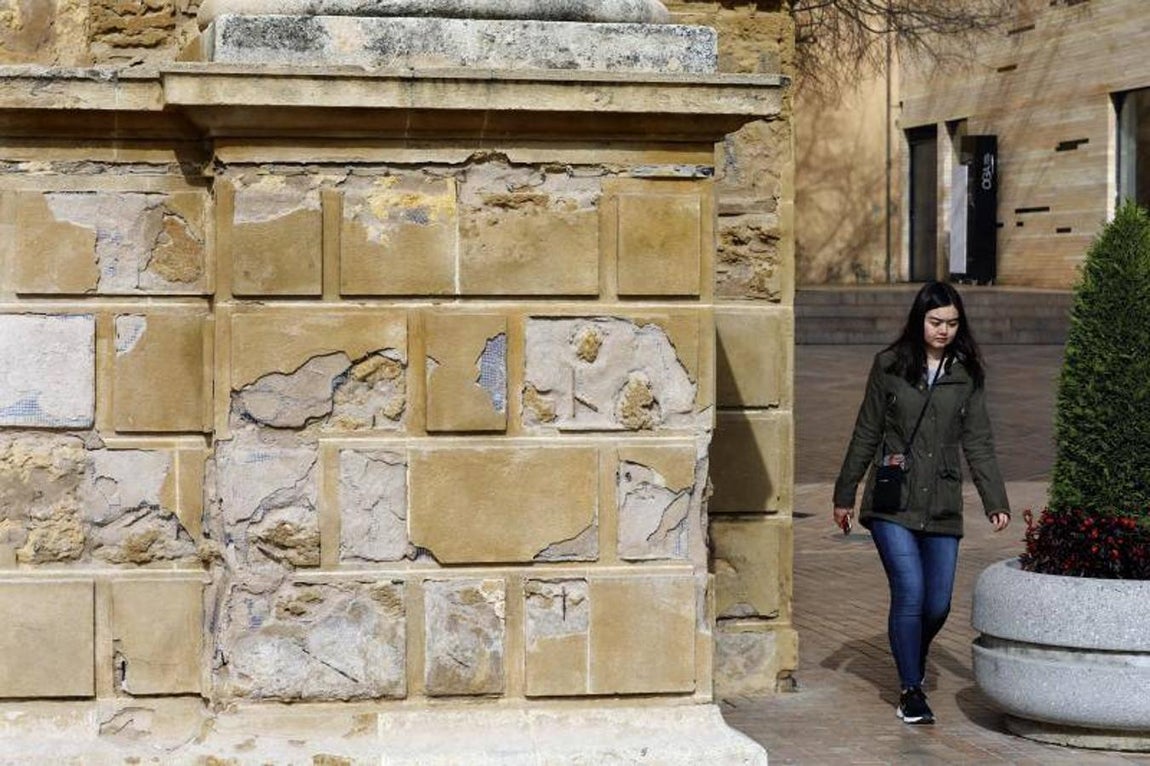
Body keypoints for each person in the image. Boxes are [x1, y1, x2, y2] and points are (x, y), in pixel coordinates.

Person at [832, 281, 1011, 725]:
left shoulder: (967, 373)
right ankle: (911, 688)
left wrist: (995, 499)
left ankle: (911, 648)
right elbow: (866, 430)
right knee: (910, 591)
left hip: (943, 502)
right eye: (935, 322)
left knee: (938, 605)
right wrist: (845, 492)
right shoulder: (889, 365)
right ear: (919, 320)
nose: (943, 330)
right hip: (892, 498)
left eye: (952, 323)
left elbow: (979, 440)